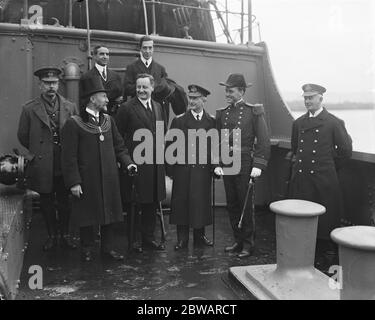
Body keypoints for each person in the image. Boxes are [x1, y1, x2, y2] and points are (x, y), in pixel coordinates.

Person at [61, 76, 136, 262]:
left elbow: (119, 147)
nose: (107, 100)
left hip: (109, 177)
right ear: (93, 99)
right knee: (87, 214)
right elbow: (68, 157)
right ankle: (86, 249)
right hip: (88, 179)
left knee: (109, 213)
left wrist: (129, 163)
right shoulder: (75, 123)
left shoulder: (109, 121)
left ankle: (107, 249)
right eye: (103, 96)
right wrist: (74, 182)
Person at [17, 67, 78, 251]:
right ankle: (52, 236)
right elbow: (23, 135)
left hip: (63, 161)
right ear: (40, 85)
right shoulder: (29, 108)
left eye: (54, 83)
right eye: (47, 83)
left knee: (65, 200)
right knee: (46, 201)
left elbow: (76, 133)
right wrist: (39, 151)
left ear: (58, 84)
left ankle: (65, 235)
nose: (51, 87)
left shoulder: (70, 106)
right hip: (43, 162)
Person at [214, 73, 270, 259]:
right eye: (226, 90)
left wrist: (259, 164)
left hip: (245, 162)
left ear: (241, 91)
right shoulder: (223, 113)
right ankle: (238, 240)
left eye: (230, 91)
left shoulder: (253, 111)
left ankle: (248, 243)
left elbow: (263, 140)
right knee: (232, 203)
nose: (227, 94)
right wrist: (218, 162)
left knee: (245, 203)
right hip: (228, 162)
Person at [288, 84, 352, 242]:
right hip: (302, 180)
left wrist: (327, 167)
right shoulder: (298, 123)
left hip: (324, 180)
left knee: (326, 220)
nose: (307, 101)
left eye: (311, 98)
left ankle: (326, 253)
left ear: (321, 98)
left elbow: (345, 151)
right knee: (302, 218)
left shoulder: (333, 122)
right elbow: (295, 148)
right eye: (305, 98)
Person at [116, 73, 167, 252]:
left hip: (155, 164)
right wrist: (126, 161)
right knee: (135, 203)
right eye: (138, 87)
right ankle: (134, 240)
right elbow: (118, 137)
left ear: (152, 88)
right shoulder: (126, 108)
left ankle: (148, 238)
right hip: (136, 164)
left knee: (152, 202)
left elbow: (162, 133)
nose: (141, 90)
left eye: (145, 87)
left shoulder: (159, 107)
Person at [168, 84, 216, 250]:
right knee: (181, 202)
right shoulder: (179, 120)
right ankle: (182, 239)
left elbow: (215, 146)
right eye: (190, 98)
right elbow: (170, 146)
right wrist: (171, 171)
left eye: (195, 98)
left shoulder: (211, 121)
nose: (192, 101)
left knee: (200, 202)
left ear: (204, 100)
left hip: (202, 170)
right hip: (183, 169)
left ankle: (199, 236)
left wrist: (215, 166)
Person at [123, 36, 173, 118]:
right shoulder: (131, 67)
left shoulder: (160, 69)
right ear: (140, 49)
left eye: (150, 48)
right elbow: (127, 88)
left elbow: (166, 89)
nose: (147, 51)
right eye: (145, 48)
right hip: (137, 111)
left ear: (153, 49)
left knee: (159, 130)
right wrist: (144, 88)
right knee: (140, 130)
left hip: (157, 111)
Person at [80, 45, 123, 116]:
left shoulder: (116, 76)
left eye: (107, 54)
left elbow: (120, 97)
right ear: (94, 56)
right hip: (95, 116)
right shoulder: (87, 77)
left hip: (113, 116)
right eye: (101, 54)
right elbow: (83, 102)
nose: (105, 56)